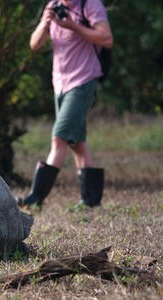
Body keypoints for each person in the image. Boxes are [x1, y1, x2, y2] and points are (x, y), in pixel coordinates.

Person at [18, 0, 113, 208]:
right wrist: (45, 22)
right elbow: (34, 44)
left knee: (59, 138)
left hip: (84, 80)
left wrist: (74, 27)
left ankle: (36, 197)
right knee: (76, 142)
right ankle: (90, 201)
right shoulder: (53, 6)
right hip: (60, 84)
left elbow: (106, 38)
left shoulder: (90, 5)